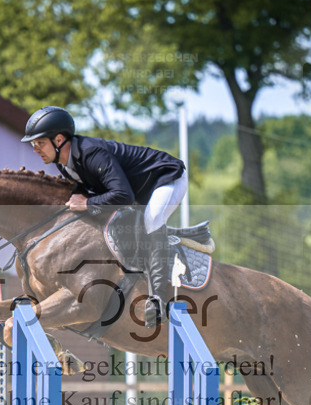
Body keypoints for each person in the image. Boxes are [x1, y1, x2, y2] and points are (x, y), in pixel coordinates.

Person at [21, 105, 188, 328]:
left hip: (167, 178)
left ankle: (157, 300)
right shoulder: (65, 164)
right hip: (140, 190)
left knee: (153, 219)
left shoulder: (92, 153)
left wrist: (87, 203)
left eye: (39, 143)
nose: (35, 149)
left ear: (59, 139)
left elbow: (123, 196)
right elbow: (92, 190)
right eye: (33, 144)